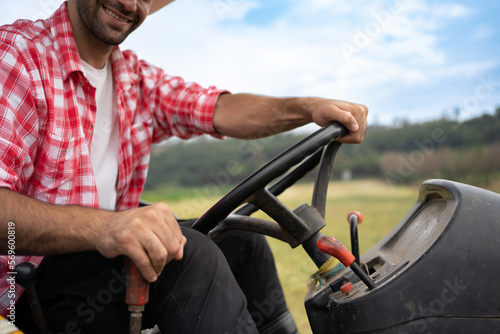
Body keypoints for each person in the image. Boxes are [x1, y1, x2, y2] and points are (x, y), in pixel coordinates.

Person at [0, 0, 368, 333]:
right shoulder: (17, 55)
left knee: (241, 240)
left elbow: (219, 110)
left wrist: (307, 109)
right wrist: (107, 226)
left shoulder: (133, 78)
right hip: (22, 296)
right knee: (188, 257)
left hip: (101, 266)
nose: (129, 3)